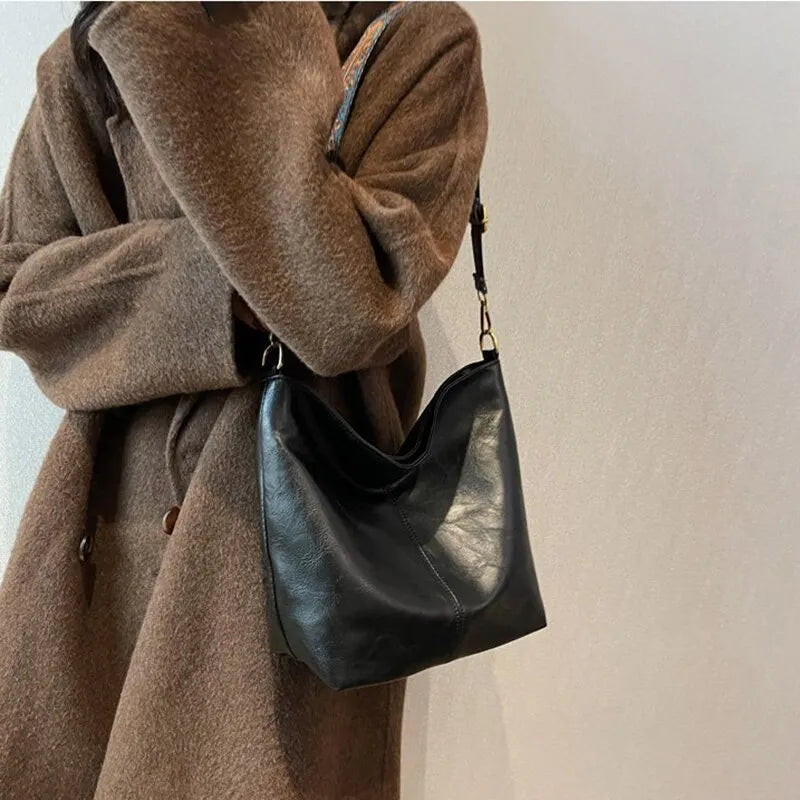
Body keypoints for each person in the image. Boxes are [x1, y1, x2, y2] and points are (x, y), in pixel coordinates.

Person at [0, 2, 487, 797]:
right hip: (98, 540)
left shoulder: (416, 39)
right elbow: (17, 292)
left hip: (287, 559)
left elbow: (348, 308)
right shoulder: (92, 53)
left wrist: (249, 36)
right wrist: (225, 286)